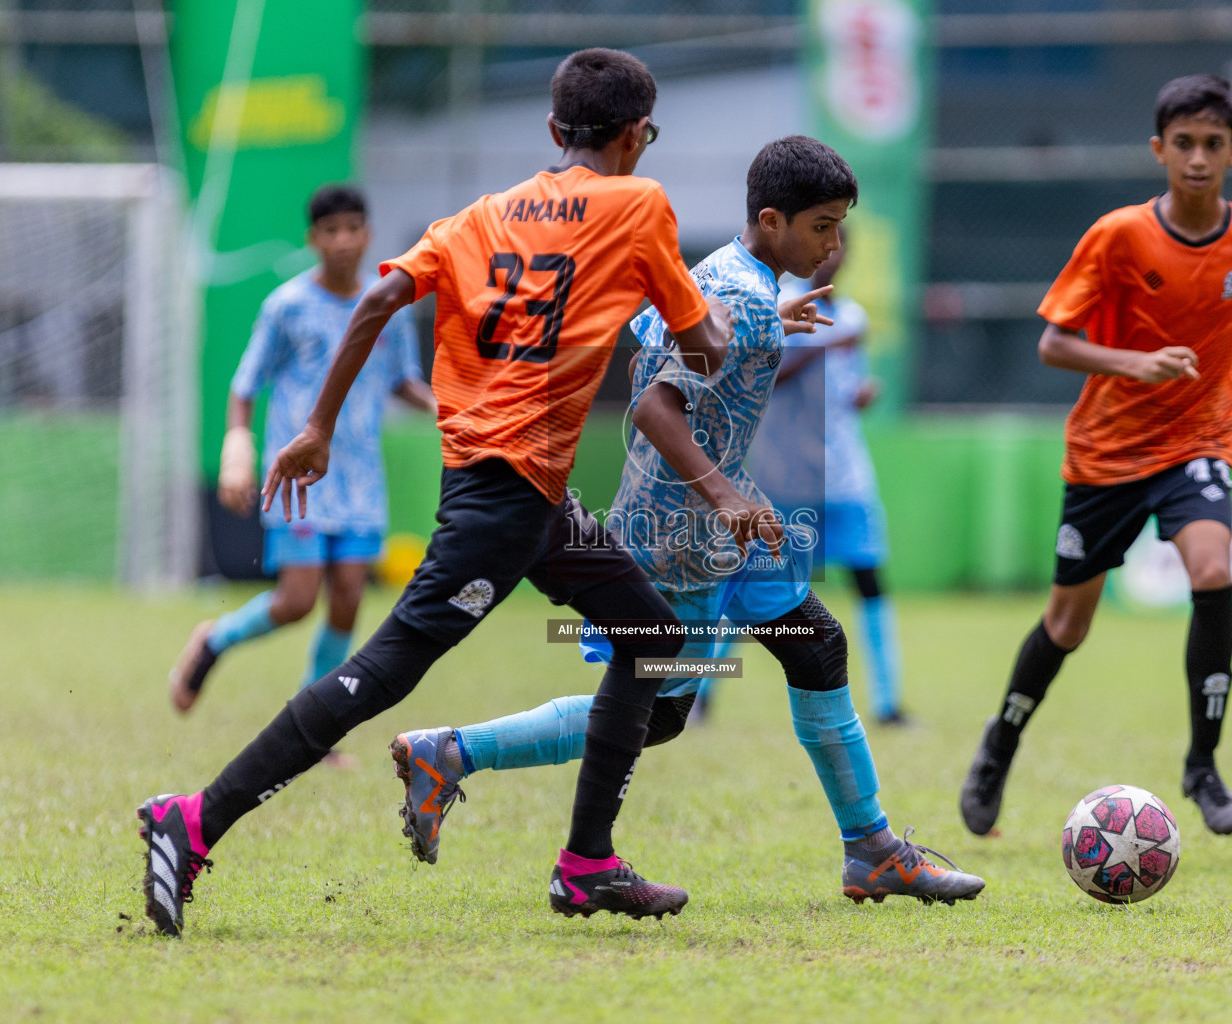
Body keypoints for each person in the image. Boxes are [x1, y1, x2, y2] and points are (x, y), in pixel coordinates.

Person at [137, 48, 737, 937]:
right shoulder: (639, 205)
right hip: (501, 504)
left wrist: (317, 427)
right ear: (636, 134)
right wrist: (718, 310)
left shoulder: (477, 217)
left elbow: (379, 302)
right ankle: (192, 820)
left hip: (529, 497)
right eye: (645, 135)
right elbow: (707, 349)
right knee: (376, 676)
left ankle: (587, 865)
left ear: (551, 129)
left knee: (653, 638)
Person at [389, 136, 986, 908]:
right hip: (688, 538)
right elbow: (652, 401)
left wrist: (770, 319)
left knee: (805, 651)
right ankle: (454, 753)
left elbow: (651, 339)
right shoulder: (741, 299)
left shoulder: (724, 277)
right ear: (771, 221)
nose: (834, 245)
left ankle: (872, 849)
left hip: (708, 531)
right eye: (822, 227)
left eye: (840, 227)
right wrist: (726, 495)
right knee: (664, 709)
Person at [958, 74, 1232, 839]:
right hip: (1106, 452)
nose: (1198, 159)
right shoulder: (1119, 235)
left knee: (1214, 570)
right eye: (1184, 145)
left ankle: (1203, 765)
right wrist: (1137, 364)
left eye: (1213, 145)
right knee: (1067, 625)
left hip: (1201, 438)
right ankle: (1000, 745)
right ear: (1159, 150)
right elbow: (1053, 343)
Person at [167, 186, 435, 757]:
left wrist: (445, 405)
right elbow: (245, 386)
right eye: (330, 231)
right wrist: (237, 447)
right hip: (301, 482)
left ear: (368, 234)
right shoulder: (287, 306)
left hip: (362, 480)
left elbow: (402, 380)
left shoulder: (388, 305)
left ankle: (314, 723)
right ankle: (213, 640)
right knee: (296, 600)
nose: (342, 241)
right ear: (314, 239)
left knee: (345, 601)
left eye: (353, 229)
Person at [747, 231, 908, 724]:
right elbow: (763, 378)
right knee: (742, 585)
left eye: (841, 244)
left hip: (843, 475)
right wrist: (827, 346)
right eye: (824, 237)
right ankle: (699, 698)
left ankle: (888, 705)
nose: (832, 253)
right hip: (785, 478)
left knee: (870, 583)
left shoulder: (853, 316)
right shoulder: (784, 307)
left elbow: (840, 387)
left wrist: (860, 393)